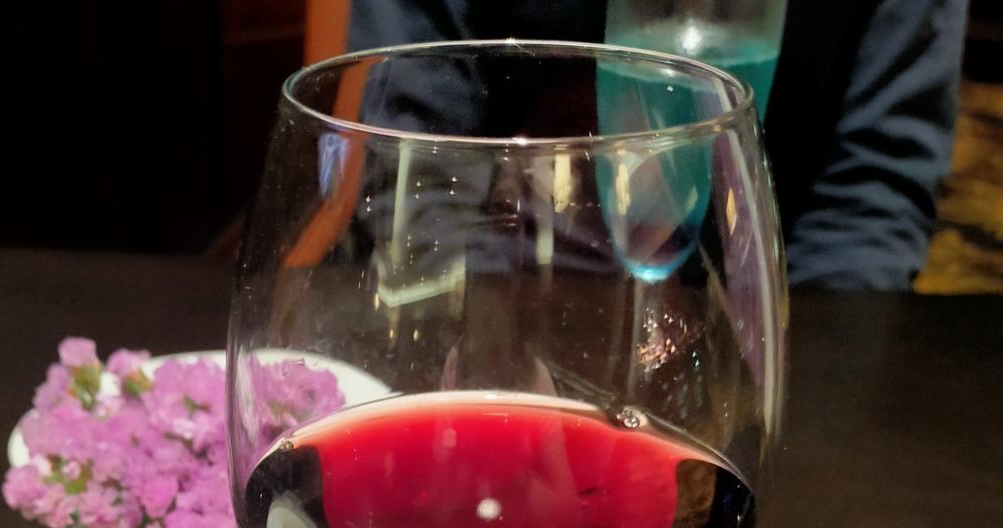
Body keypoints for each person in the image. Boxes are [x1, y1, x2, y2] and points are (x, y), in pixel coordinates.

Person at [347, 0, 970, 289]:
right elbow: (414, 166)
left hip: (770, 324)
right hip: (506, 308)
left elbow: (873, 194)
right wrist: (492, 350)